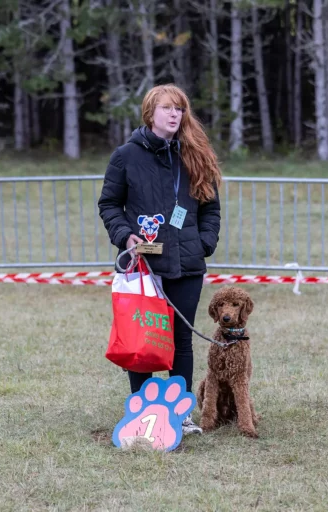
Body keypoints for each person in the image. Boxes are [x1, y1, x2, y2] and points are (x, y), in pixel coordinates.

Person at [98, 84, 222, 435]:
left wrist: (204, 242)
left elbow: (210, 207)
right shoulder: (126, 156)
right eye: (167, 108)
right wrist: (125, 236)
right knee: (144, 339)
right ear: (150, 112)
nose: (174, 114)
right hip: (144, 264)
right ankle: (141, 413)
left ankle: (179, 416)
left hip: (187, 264)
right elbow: (109, 204)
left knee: (181, 341)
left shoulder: (196, 152)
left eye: (180, 109)